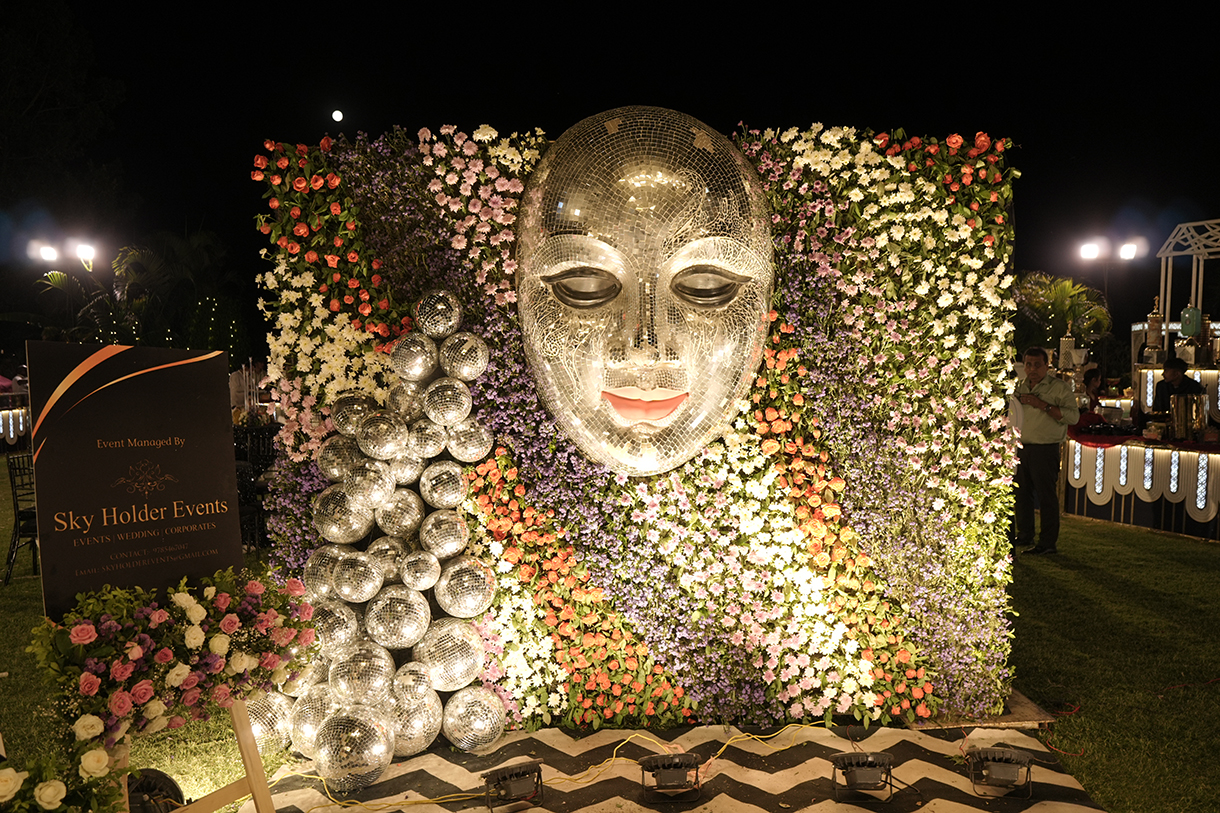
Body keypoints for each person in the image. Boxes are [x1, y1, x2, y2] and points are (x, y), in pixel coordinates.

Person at [1013, 347, 1080, 555]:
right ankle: (1025, 535)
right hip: (1021, 448)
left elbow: (1073, 417)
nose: (1032, 369)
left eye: (1037, 365)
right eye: (1028, 365)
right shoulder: (1018, 386)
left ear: (1047, 366)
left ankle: (1047, 543)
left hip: (1046, 449)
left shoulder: (1059, 388)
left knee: (1046, 497)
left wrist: (1042, 405)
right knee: (1021, 494)